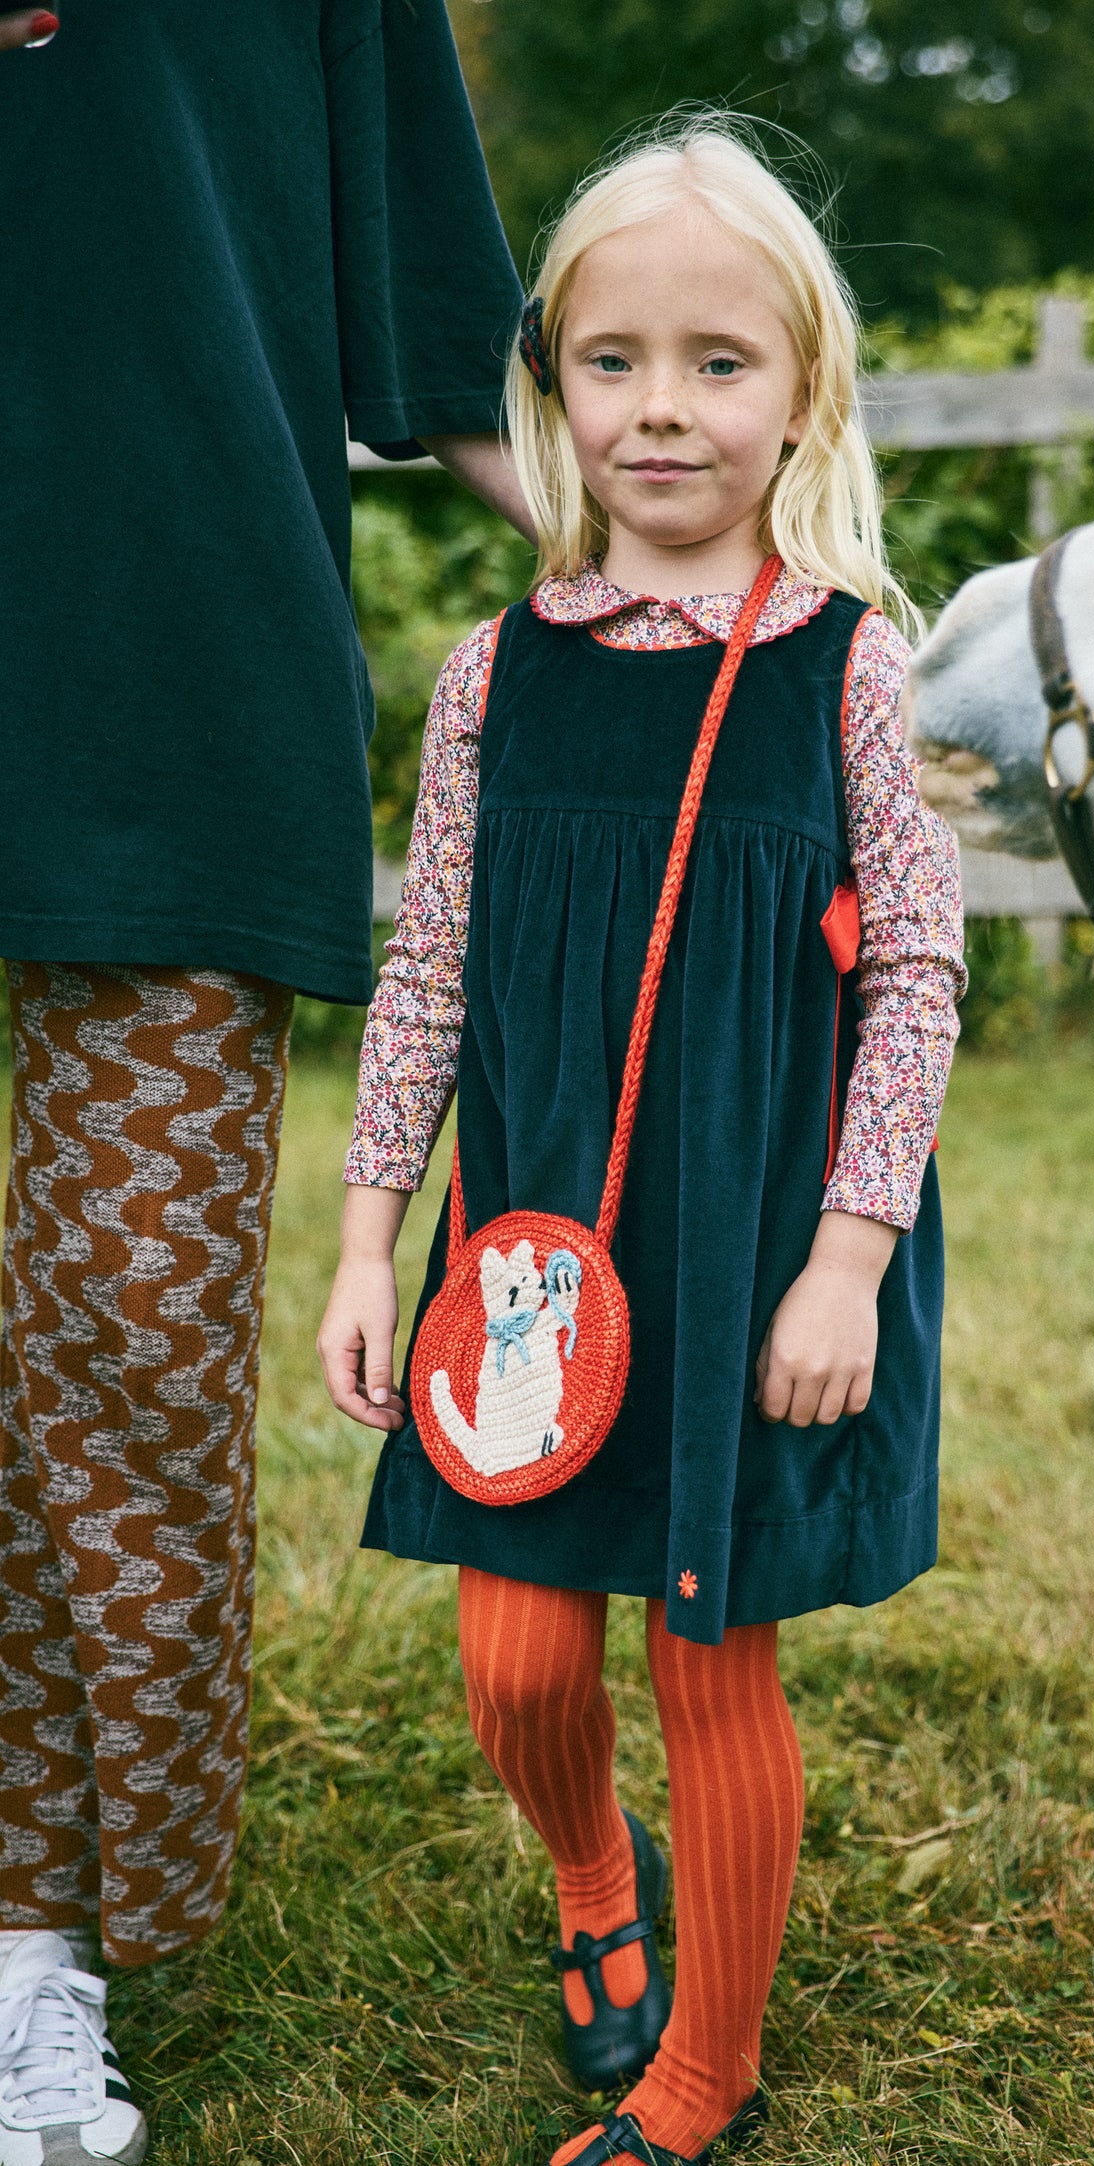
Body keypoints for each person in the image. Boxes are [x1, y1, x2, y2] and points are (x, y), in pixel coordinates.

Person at [318, 119, 966, 2166]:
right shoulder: (492, 679)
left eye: (717, 362)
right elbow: (427, 967)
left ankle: (708, 2070)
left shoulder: (853, 667)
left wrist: (848, 1260)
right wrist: (362, 1238)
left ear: (801, 401)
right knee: (515, 1655)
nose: (661, 408)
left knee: (707, 1656)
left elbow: (923, 978)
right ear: (551, 383)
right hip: (532, 1235)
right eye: (613, 360)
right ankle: (601, 1891)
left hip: (751, 1229)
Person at [0, 6, 528, 2159]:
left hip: (181, 685)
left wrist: (744, 587)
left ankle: (32, 1948)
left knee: (125, 1353)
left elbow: (431, 311)